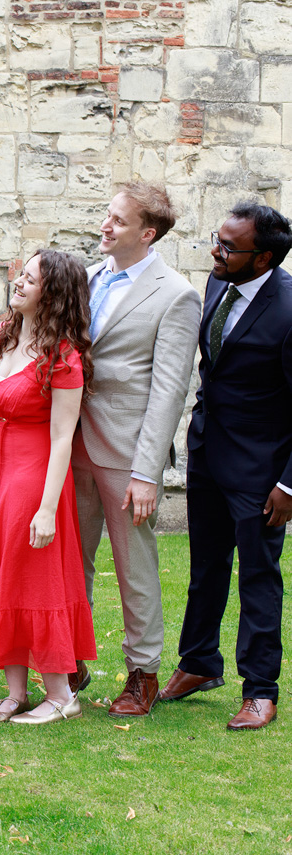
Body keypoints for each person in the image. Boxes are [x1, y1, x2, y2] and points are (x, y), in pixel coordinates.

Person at [159, 204, 292, 731]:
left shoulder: (288, 310)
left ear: (263, 257)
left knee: (259, 576)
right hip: (207, 454)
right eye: (216, 240)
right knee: (205, 566)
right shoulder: (217, 284)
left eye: (228, 247)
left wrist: (288, 483)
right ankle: (197, 664)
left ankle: (260, 689)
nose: (215, 251)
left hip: (264, 472)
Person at [72, 181, 201, 717]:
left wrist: (149, 473)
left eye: (118, 221)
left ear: (146, 234)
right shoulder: (87, 276)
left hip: (128, 454)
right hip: (68, 442)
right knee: (67, 559)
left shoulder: (176, 294)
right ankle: (69, 658)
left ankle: (142, 673)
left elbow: (170, 390)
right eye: (107, 215)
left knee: (134, 568)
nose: (105, 225)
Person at [0, 250, 98, 724]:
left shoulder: (64, 357)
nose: (17, 283)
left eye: (29, 279)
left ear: (51, 294)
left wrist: (46, 508)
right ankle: (15, 692)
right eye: (21, 274)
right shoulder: (4, 338)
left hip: (32, 476)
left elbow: (63, 438)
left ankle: (61, 694)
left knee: (32, 579)